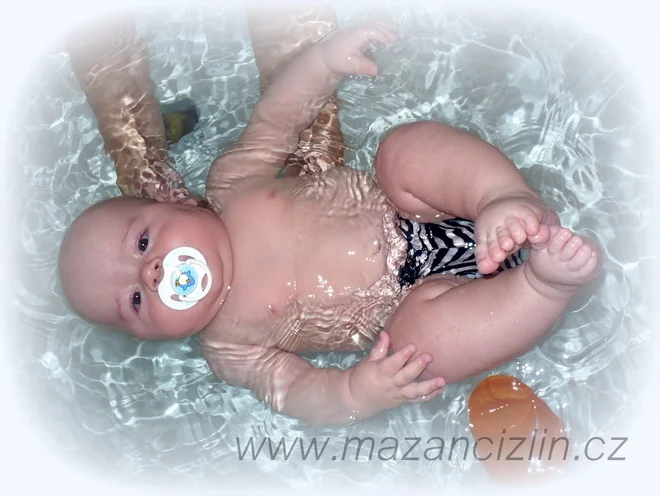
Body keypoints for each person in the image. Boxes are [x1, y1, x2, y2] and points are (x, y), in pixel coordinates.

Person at [58, 21, 601, 426]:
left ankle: (499, 196)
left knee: (400, 155)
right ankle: (542, 286)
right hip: (424, 301)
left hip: (419, 207)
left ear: (178, 203)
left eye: (143, 242)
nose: (151, 274)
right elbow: (298, 392)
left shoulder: (232, 182)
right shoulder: (229, 348)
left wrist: (322, 64)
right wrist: (355, 393)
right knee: (414, 354)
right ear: (151, 336)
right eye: (135, 301)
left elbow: (278, 117)